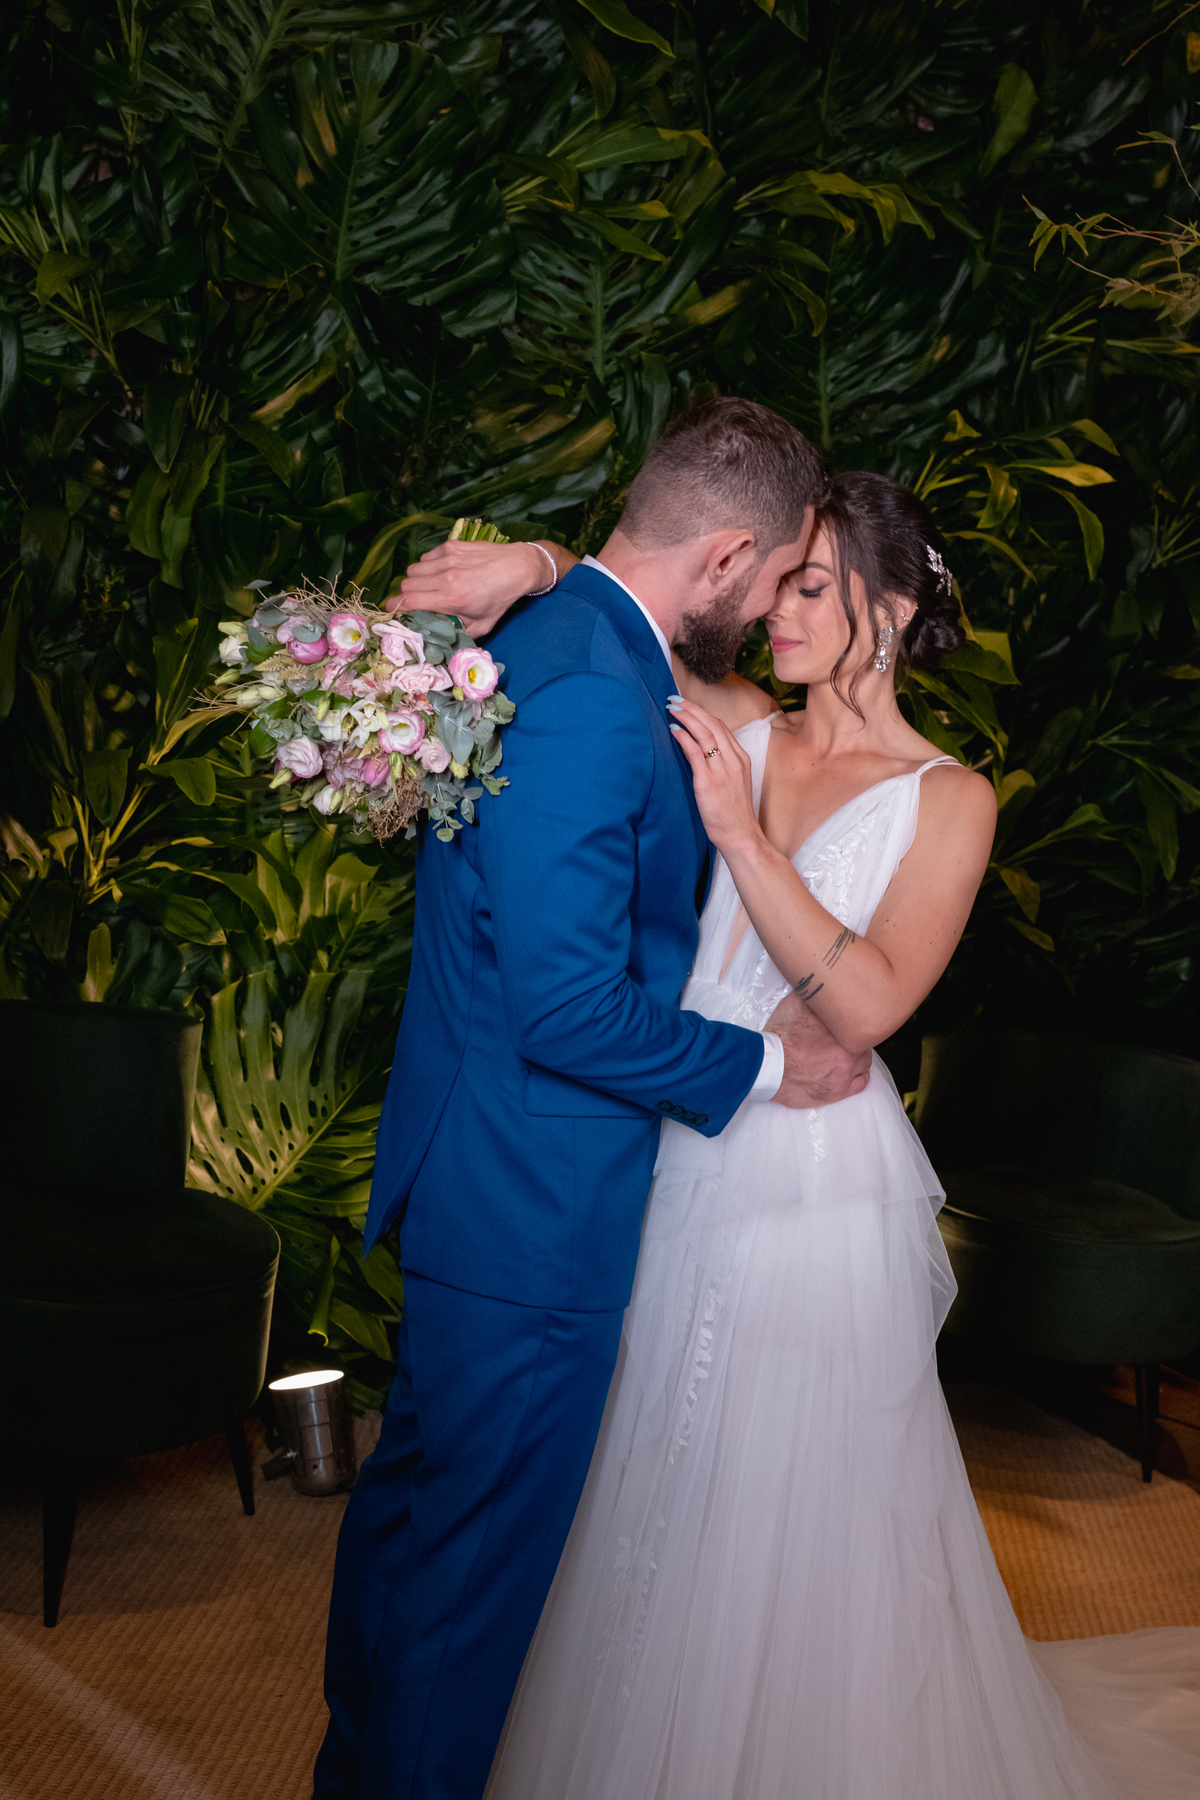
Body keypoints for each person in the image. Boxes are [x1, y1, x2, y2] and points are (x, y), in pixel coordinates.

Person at [400, 472, 1181, 1799]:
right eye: (778, 583)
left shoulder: (951, 798)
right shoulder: (748, 727)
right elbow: (636, 609)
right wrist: (537, 561)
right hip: (682, 1131)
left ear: (893, 606)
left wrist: (741, 840)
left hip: (817, 1167)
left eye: (810, 587)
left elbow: (868, 1005)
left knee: (789, 1496)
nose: (776, 611)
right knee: (642, 1467)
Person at [312, 400, 876, 1800]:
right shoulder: (594, 697)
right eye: (776, 575)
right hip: (533, 1208)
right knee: (465, 1591)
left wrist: (549, 560)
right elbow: (563, 1009)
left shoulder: (552, 635)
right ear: (727, 554)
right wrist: (769, 1068)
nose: (774, 607)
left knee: (412, 1536)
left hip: (476, 1175)